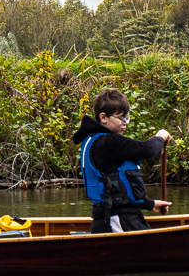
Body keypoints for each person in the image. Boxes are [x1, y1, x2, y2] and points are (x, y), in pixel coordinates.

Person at [72, 88, 171, 233]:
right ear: (103, 117)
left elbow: (118, 187)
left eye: (127, 118)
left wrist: (149, 204)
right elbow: (146, 149)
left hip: (115, 218)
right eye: (121, 118)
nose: (125, 123)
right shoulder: (108, 143)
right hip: (116, 220)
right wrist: (160, 137)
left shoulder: (98, 141)